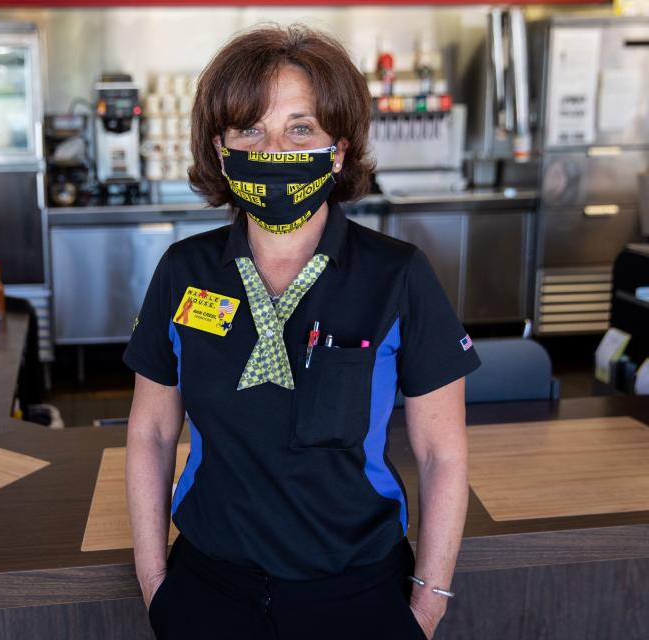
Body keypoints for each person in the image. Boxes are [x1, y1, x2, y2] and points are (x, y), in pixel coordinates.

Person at [124, 24, 480, 640]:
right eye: (250, 129)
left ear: (337, 149)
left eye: (299, 128)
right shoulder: (184, 271)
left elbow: (442, 455)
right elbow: (152, 433)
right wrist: (155, 581)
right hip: (208, 592)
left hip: (359, 593)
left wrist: (427, 604)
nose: (273, 149)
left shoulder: (397, 275)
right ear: (221, 146)